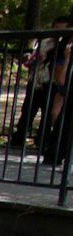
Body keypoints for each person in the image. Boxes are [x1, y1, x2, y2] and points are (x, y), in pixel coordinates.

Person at [9, 16, 71, 149]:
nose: (58, 33)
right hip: (37, 80)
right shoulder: (44, 42)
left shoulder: (66, 47)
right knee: (27, 111)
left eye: (62, 30)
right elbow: (34, 58)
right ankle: (18, 139)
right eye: (56, 29)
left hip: (52, 83)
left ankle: (42, 142)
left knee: (48, 114)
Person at [42, 25, 73, 166]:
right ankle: (54, 156)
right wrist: (67, 58)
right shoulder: (63, 56)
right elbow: (61, 80)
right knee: (61, 120)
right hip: (66, 93)